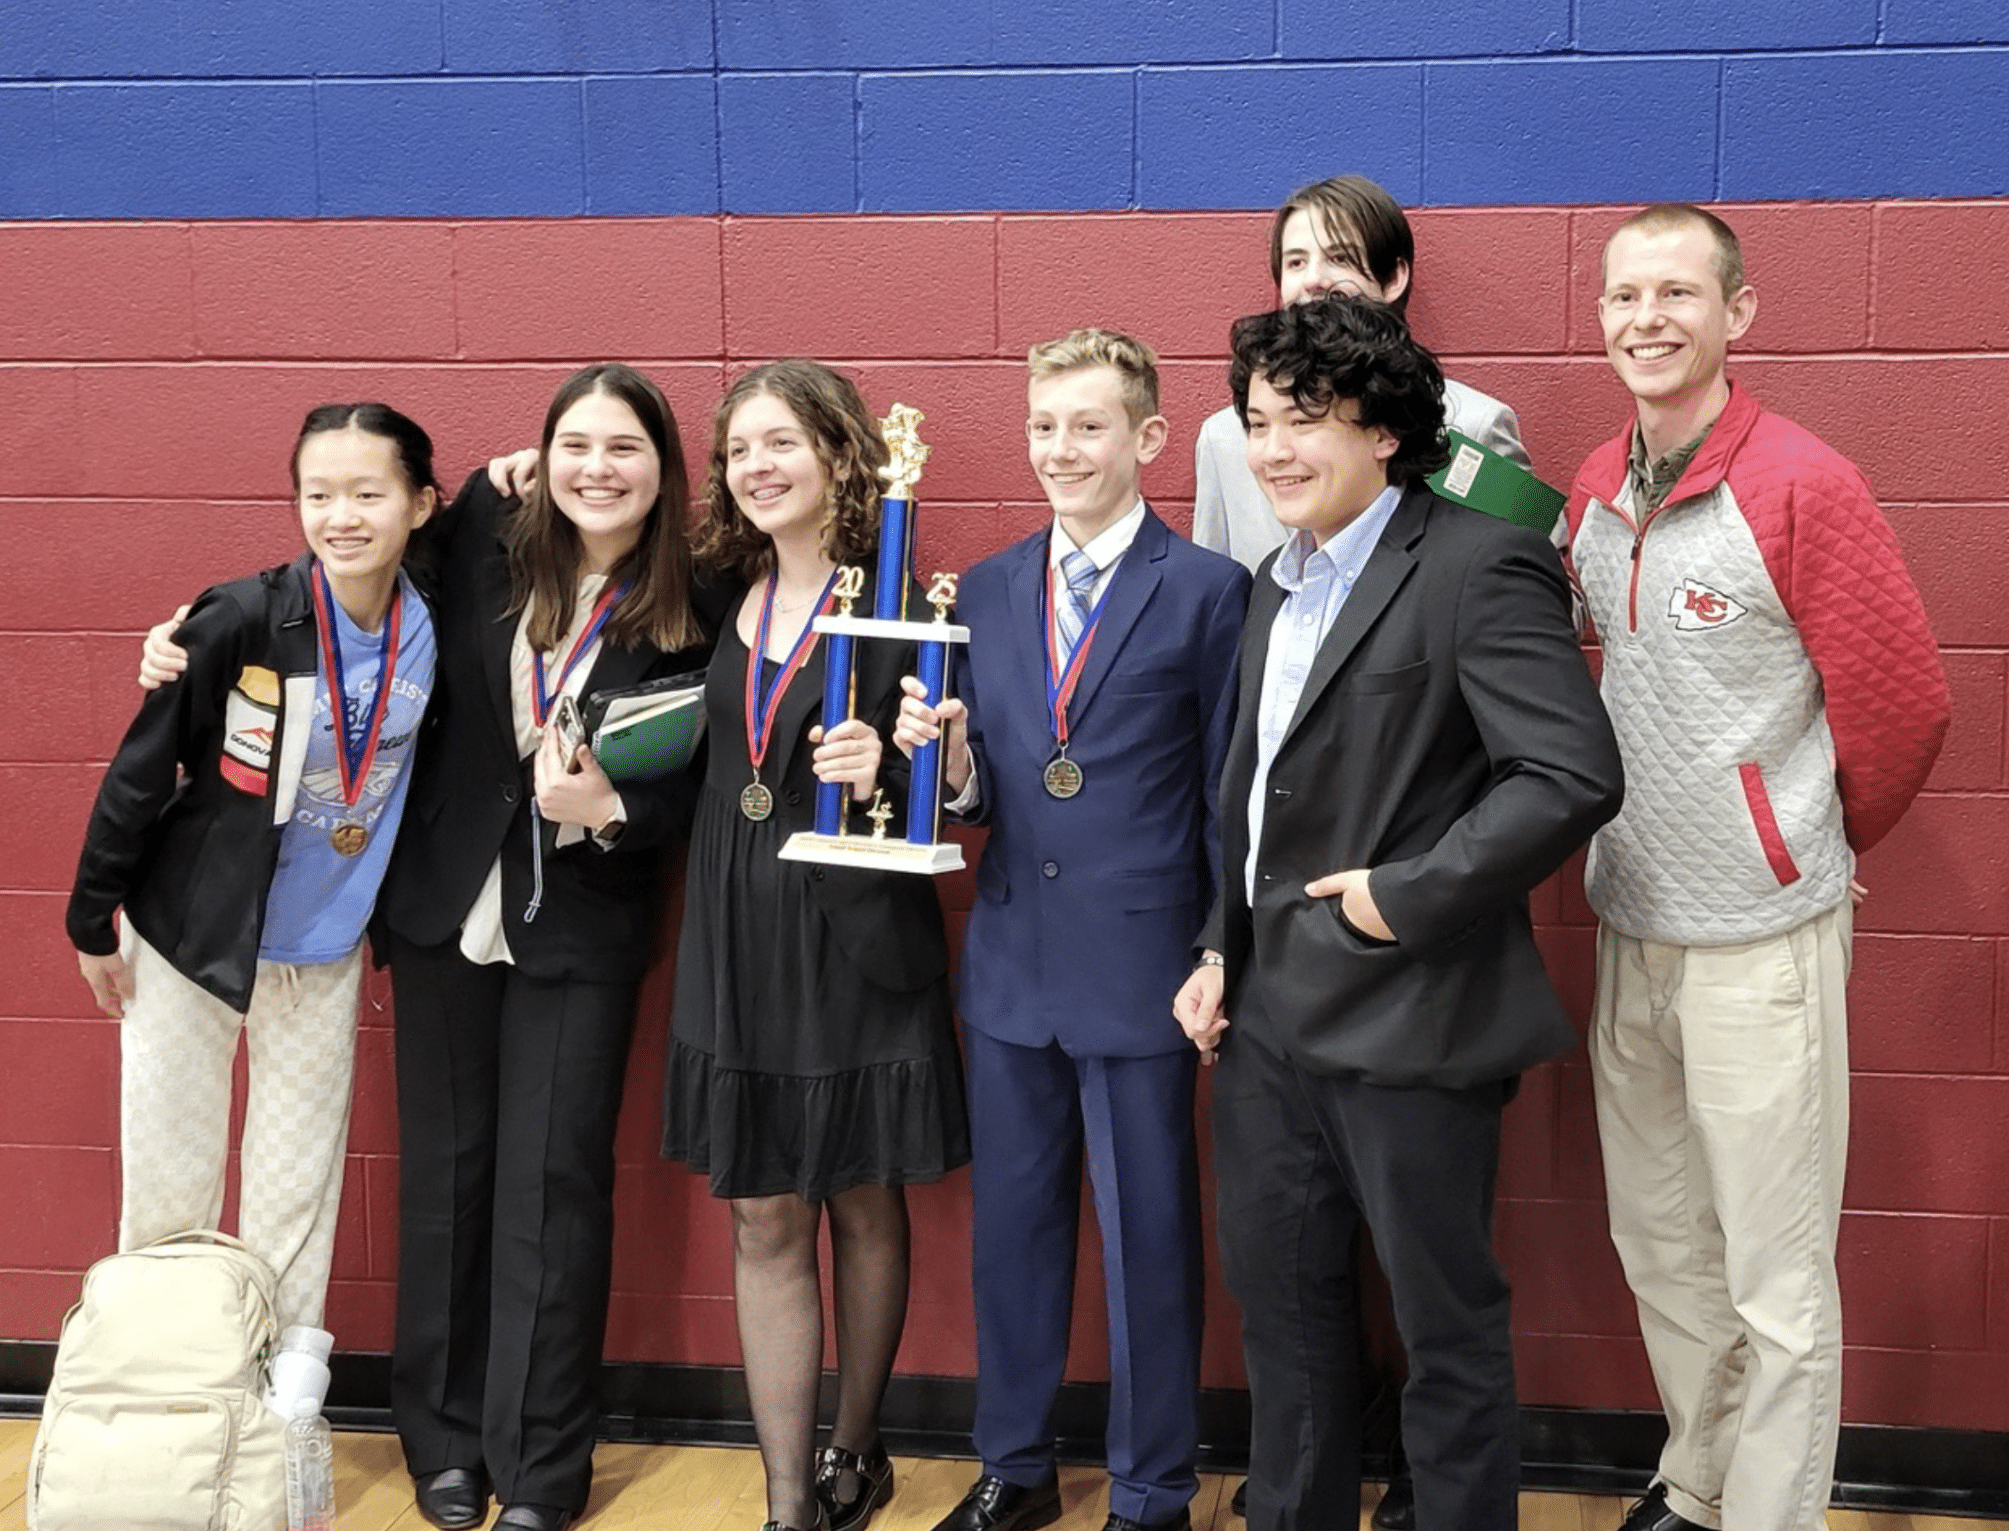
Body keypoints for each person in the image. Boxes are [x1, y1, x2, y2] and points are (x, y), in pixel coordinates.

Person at [141, 363, 727, 1531]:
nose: (595, 470)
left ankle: (544, 1465)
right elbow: (329, 591)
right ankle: (444, 1443)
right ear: (540, 454)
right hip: (442, 905)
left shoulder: (698, 601)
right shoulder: (473, 538)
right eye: (575, 445)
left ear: (663, 471)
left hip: (584, 917)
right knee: (447, 1183)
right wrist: (190, 642)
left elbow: (699, 776)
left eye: (624, 450)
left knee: (555, 1192)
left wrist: (609, 809)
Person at [1172, 295, 1623, 1531]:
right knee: (1289, 1329)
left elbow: (1571, 775)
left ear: (1383, 429)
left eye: (1301, 420)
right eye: (1255, 421)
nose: (1268, 449)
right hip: (1265, 1026)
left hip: (1415, 1020)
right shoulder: (1271, 582)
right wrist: (1221, 940)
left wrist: (1397, 900)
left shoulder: (1481, 564)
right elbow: (1256, 791)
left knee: (1444, 1333)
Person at [1565, 206, 1949, 1531]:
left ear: (1740, 311)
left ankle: (1771, 1514)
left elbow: (1904, 707)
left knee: (1777, 1280)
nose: (1646, 318)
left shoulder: (1801, 481)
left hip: (1759, 943)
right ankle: (1698, 1474)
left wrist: (1805, 844)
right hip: (1633, 924)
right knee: (1665, 1249)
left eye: (1677, 291)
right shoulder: (1590, 490)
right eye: (1624, 295)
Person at [895, 329, 1250, 1531]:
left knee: (1149, 1234)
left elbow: (1221, 794)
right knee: (1014, 1232)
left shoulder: (1207, 590)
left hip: (1143, 967)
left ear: (1147, 439)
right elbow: (991, 787)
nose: (1061, 449)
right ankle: (1016, 1464)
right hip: (1008, 965)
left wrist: (1216, 947)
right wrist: (949, 771)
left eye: (1088, 426)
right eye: (1044, 425)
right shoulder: (988, 587)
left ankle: (1150, 1487)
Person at [662, 360, 970, 1531]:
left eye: (780, 442)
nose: (756, 467)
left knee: (858, 1194)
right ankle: (788, 1501)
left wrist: (892, 763)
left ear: (840, 455)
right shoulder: (708, 590)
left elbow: (941, 783)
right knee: (762, 1210)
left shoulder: (899, 596)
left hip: (851, 930)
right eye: (738, 448)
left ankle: (856, 1448)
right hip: (736, 923)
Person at [71, 401, 441, 1332]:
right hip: (193, 935)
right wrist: (91, 919)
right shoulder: (241, 616)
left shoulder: (439, 615)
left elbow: (516, 510)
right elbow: (141, 772)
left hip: (324, 946)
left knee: (295, 1192)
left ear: (421, 505)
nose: (341, 516)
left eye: (368, 492)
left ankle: (278, 1410)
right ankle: (165, 1399)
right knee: (168, 1181)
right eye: (318, 493)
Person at [1194, 173, 1532, 578]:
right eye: (1296, 262)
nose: (1314, 279)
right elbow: (1212, 598)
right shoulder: (1225, 438)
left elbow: (1550, 587)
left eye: (1339, 258)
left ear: (1393, 279)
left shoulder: (1475, 424)